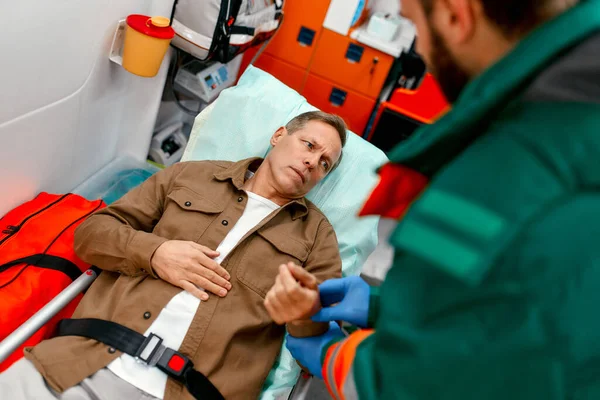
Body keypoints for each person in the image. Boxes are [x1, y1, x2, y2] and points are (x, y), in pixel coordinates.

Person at [268, 0, 600, 398]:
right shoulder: (579, 101)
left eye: (413, 26)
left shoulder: (490, 184)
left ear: (455, 14)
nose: (420, 52)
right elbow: (529, 303)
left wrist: (330, 355)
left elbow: (408, 382)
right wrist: (387, 305)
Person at [0, 111, 347, 400]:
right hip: (81, 362)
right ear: (279, 135)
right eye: (309, 145)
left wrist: (303, 314)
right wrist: (155, 253)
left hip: (194, 391)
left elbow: (318, 345)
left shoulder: (317, 236)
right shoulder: (192, 176)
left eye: (324, 164)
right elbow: (91, 235)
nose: (311, 162)